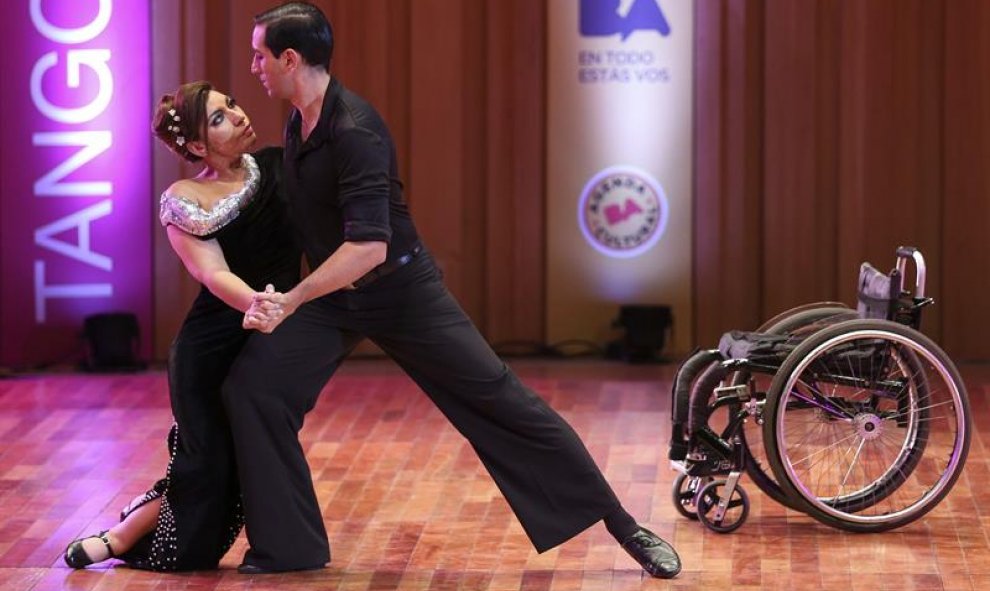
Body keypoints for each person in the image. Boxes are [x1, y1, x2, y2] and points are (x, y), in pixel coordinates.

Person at [225, 1, 681, 579]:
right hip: (337, 296)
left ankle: (625, 527)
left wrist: (291, 300)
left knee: (504, 404)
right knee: (255, 387)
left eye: (259, 55)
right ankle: (289, 548)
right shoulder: (298, 120)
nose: (253, 66)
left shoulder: (354, 129)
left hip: (400, 293)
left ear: (290, 59)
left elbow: (370, 247)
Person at [63, 82, 299, 571]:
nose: (236, 115)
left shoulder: (279, 165)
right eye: (217, 118)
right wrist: (255, 303)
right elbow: (211, 273)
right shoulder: (185, 197)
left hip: (266, 336)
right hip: (210, 349)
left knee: (238, 459)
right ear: (195, 146)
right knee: (204, 463)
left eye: (230, 105)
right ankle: (119, 537)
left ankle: (117, 536)